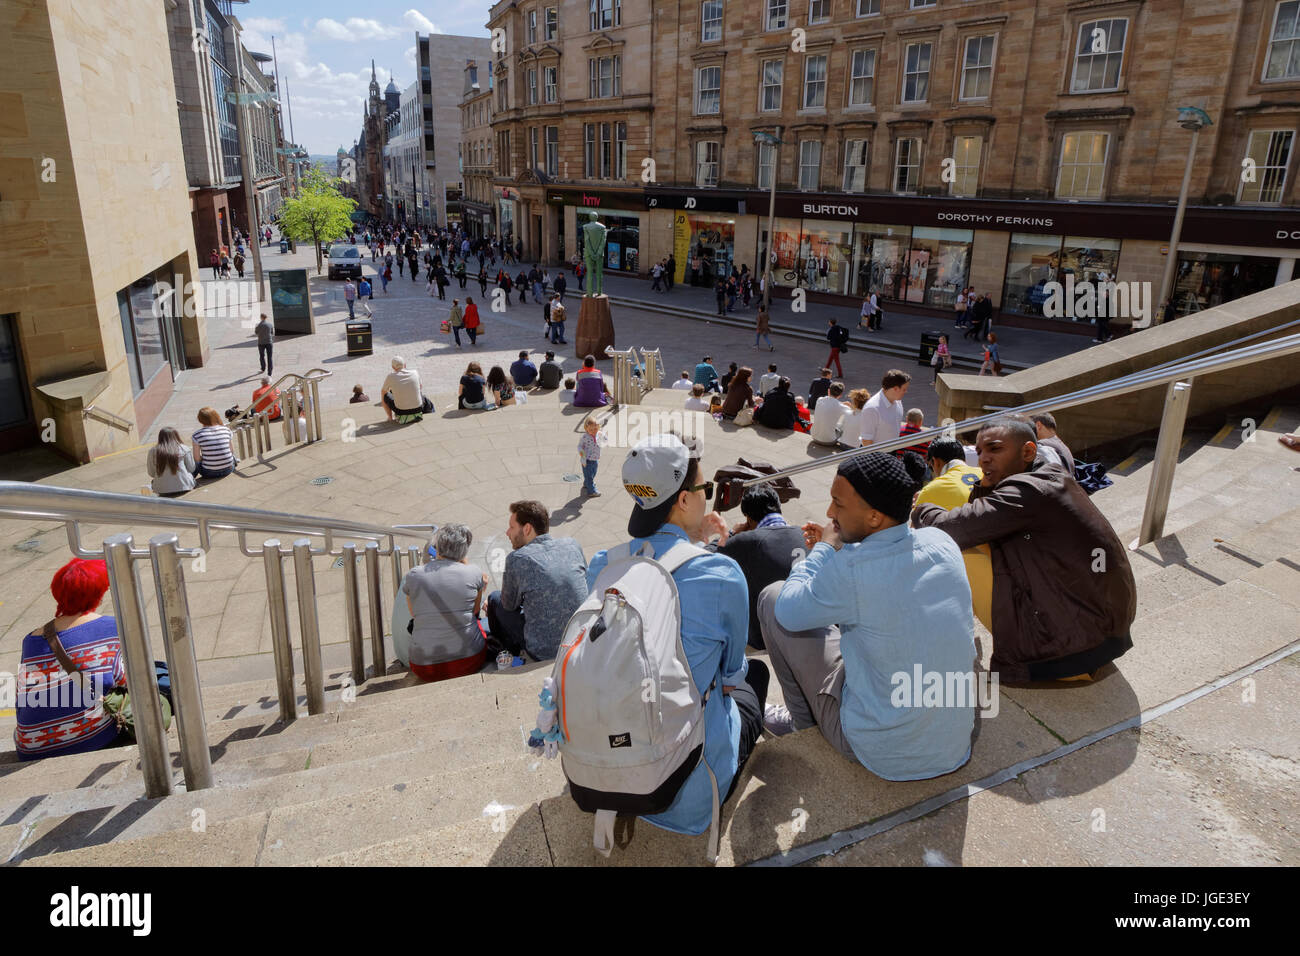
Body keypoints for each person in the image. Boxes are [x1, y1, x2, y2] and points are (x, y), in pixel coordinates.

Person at [577, 434, 769, 841]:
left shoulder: (602, 566)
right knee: (755, 674)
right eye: (706, 489)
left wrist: (700, 545)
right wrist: (711, 549)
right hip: (688, 793)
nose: (708, 497)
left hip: (607, 765)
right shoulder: (721, 573)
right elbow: (730, 674)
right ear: (683, 500)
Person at [758, 453, 977, 785]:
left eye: (838, 505)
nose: (830, 513)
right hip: (953, 742)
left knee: (772, 597)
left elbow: (788, 611)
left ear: (874, 517)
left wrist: (824, 549)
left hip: (882, 750)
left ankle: (803, 726)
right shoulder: (941, 541)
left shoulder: (853, 570)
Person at [911, 417, 1137, 683]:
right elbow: (981, 518)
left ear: (1028, 451)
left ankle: (936, 640)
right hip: (1101, 635)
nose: (983, 459)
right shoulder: (1050, 476)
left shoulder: (1028, 492)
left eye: (995, 449)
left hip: (1064, 652)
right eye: (981, 451)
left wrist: (919, 509)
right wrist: (984, 484)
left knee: (956, 551)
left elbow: (953, 529)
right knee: (979, 541)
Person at [14, 558, 130, 760]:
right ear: (99, 593)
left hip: (31, 747)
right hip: (89, 739)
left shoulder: (31, 639)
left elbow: (22, 696)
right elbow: (127, 681)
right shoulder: (111, 627)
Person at [695, 485, 805, 650]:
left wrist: (731, 532)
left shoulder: (748, 541)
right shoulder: (806, 535)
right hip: (809, 624)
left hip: (764, 639)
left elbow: (702, 556)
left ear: (748, 518)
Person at [486, 500, 589, 661]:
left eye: (512, 527)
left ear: (527, 529)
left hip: (543, 652)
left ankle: (503, 647)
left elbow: (509, 605)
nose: (507, 532)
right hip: (580, 642)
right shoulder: (572, 545)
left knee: (494, 599)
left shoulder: (517, 559)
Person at [915, 438, 992, 632]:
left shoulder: (932, 489)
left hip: (971, 574)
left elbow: (916, 542)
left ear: (936, 462)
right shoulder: (986, 474)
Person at [402, 525, 488, 683]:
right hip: (470, 660)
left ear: (437, 548)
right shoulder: (474, 573)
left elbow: (414, 613)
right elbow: (475, 611)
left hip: (423, 667)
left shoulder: (414, 575)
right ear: (464, 551)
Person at [859, 369, 910, 447]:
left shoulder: (898, 401)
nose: (906, 392)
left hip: (891, 452)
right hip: (876, 456)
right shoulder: (872, 408)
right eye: (904, 389)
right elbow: (866, 441)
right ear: (895, 389)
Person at [147, 427, 196, 496]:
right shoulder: (184, 448)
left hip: (161, 489)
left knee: (153, 482)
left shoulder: (152, 451)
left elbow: (151, 473)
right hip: (184, 486)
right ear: (176, 436)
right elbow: (191, 468)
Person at [192, 407, 236, 479]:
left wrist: (207, 458)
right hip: (228, 469)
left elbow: (196, 458)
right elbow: (231, 451)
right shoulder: (226, 430)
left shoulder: (197, 435)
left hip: (208, 472)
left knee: (196, 462)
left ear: (200, 420)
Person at [381, 356, 429, 422]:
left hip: (401, 411)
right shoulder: (415, 372)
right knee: (420, 393)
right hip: (418, 408)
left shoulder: (390, 376)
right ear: (405, 364)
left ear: (393, 367)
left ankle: (390, 417)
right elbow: (420, 387)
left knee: (385, 395)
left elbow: (383, 392)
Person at [810, 382, 850, 446]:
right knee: (842, 425)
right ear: (840, 395)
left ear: (828, 391)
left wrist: (842, 404)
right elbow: (853, 413)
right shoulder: (841, 407)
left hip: (814, 436)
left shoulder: (820, 399)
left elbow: (831, 403)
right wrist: (848, 405)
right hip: (828, 441)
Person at [578, 415, 602, 496]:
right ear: (586, 428)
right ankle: (591, 491)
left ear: (598, 427)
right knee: (589, 475)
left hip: (595, 459)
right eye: (590, 429)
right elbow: (579, 446)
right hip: (587, 460)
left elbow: (604, 440)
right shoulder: (585, 437)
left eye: (595, 428)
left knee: (593, 472)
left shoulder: (598, 434)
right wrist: (582, 455)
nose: (593, 431)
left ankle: (586, 483)